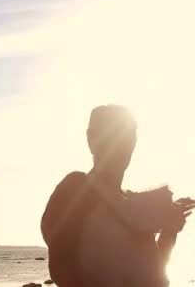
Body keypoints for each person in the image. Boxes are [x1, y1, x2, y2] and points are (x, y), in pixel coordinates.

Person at [41, 104, 195, 287]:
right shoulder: (76, 189)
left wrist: (170, 231)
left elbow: (152, 274)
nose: (120, 146)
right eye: (110, 137)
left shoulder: (137, 207)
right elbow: (60, 268)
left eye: (128, 137)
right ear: (91, 140)